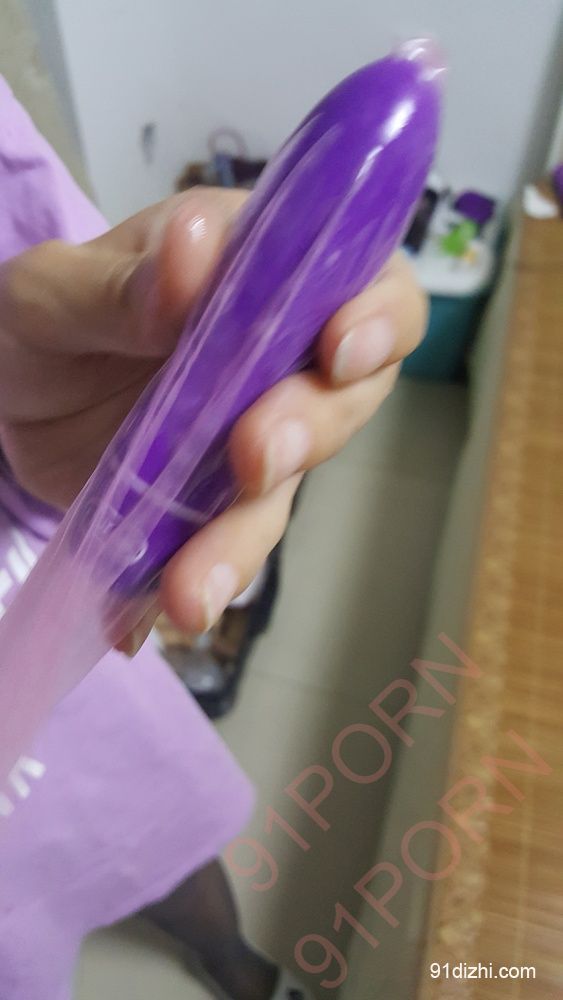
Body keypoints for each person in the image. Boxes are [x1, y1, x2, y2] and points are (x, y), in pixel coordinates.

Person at [0, 75, 427, 1000]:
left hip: (55, 632)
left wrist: (48, 433)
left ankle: (235, 968)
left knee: (154, 831)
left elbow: (62, 334)